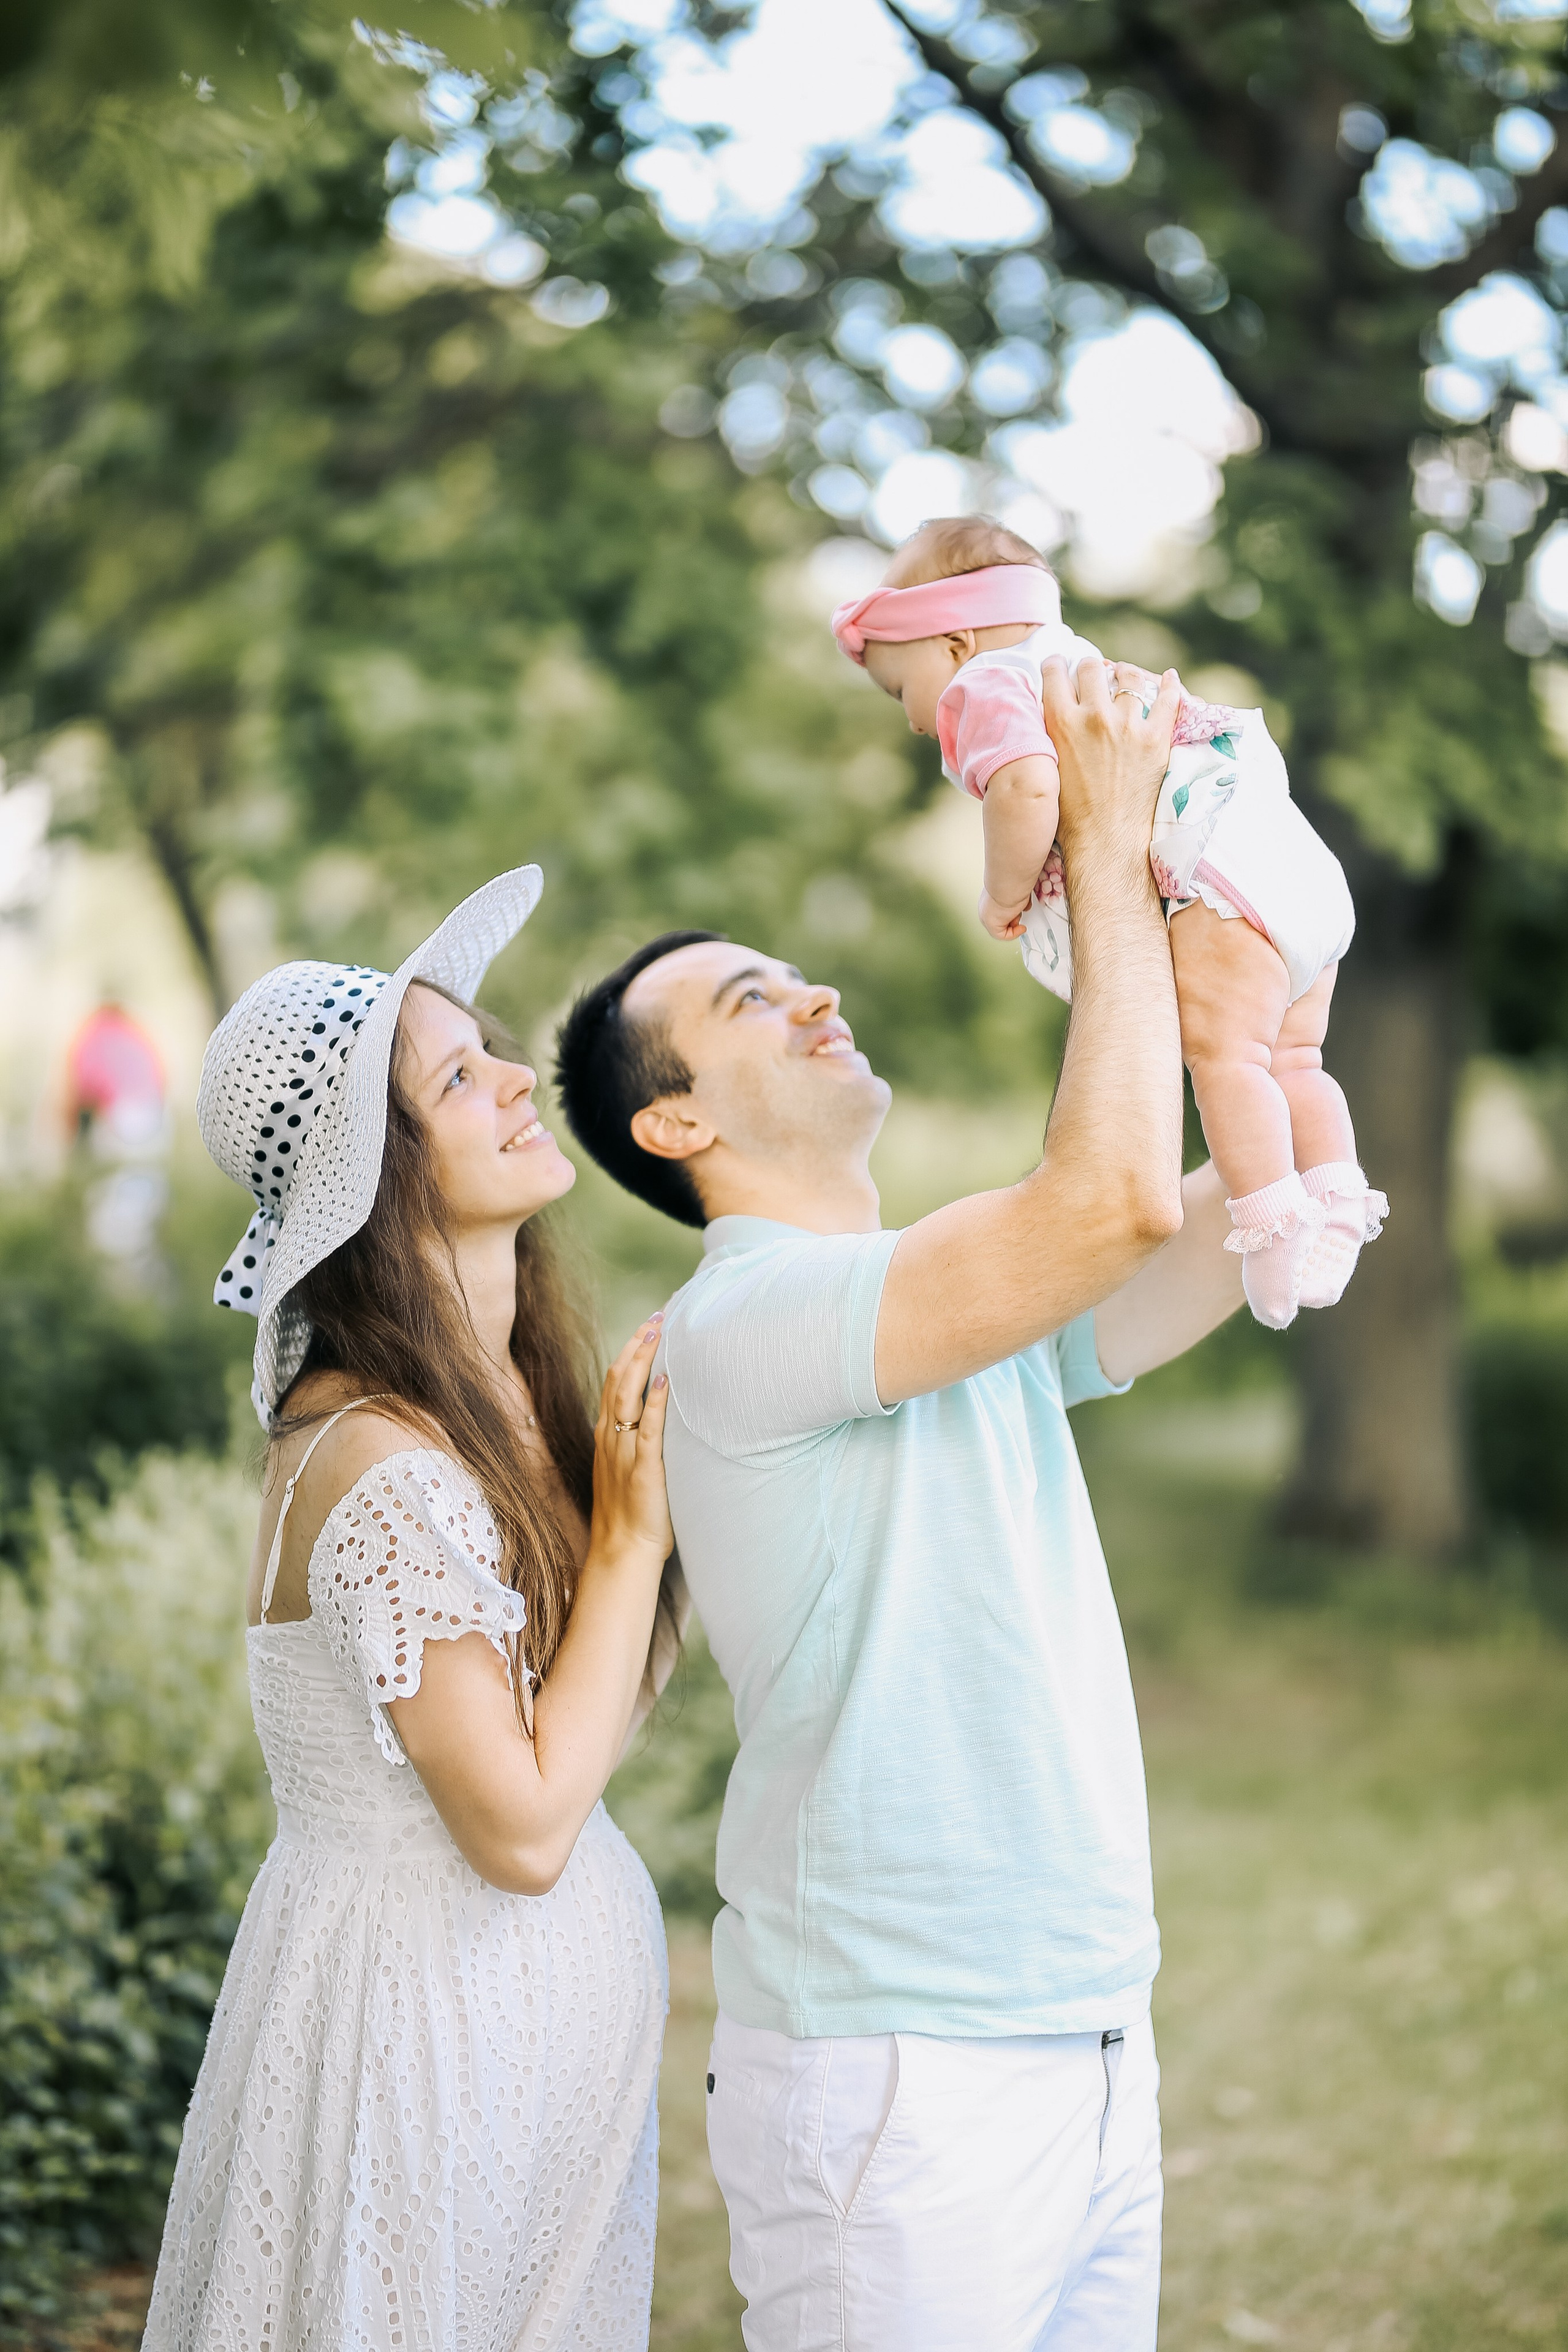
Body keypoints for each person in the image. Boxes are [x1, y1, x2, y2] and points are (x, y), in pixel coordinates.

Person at [554, 666, 1251, 2351]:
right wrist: (1091, 839)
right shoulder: (752, 1319)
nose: (812, 994)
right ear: (677, 1120)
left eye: (795, 973)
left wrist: (1214, 891)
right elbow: (1116, 1198)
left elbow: (1256, 1206)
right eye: (746, 1000)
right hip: (898, 2069)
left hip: (1085, 2017)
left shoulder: (935, 1303)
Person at [144, 866, 680, 2352]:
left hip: (512, 2058)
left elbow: (577, 1719)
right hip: (424, 2052)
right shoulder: (380, 1467)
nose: (518, 1077)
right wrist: (629, 1547)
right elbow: (517, 1831)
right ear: (375, 1174)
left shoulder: (491, 1403)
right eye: (459, 1076)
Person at [832, 516, 1387, 1329]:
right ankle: (1337, 1194)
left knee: (1225, 1057)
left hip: (1216, 882)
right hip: (1293, 870)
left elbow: (1025, 791)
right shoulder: (1083, 663)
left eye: (898, 691)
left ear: (952, 645)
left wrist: (1001, 893)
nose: (914, 719)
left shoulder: (985, 686)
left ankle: (1272, 1222)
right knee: (1295, 1058)